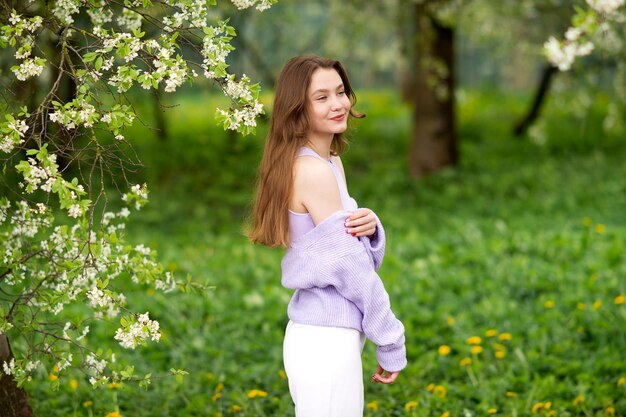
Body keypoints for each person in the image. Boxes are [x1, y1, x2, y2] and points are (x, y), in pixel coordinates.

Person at [248, 55, 406, 417]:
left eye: (341, 92)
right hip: (324, 343)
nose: (339, 104)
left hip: (328, 336)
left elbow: (344, 248)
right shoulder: (311, 171)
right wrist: (391, 340)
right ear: (297, 108)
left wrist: (370, 223)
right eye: (321, 97)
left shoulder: (329, 162)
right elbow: (354, 271)